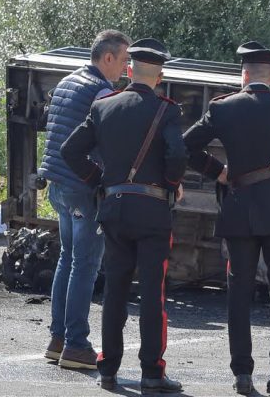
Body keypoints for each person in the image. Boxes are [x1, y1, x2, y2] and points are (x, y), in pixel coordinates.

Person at [60, 38, 187, 394]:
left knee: (114, 290)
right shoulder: (167, 110)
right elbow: (177, 156)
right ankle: (151, 373)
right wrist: (172, 184)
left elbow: (72, 150)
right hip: (152, 210)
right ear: (159, 75)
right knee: (152, 293)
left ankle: (109, 369)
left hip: (112, 208)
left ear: (129, 70)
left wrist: (101, 181)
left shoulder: (104, 106)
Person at [183, 41, 270, 396]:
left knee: (238, 294)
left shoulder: (222, 109)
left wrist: (217, 171)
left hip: (239, 207)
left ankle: (242, 375)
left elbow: (186, 146)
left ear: (243, 75)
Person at [38, 29, 131, 369]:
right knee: (85, 265)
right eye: (123, 60)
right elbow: (109, 145)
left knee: (68, 259)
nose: (126, 68)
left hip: (59, 184)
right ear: (107, 58)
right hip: (83, 188)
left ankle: (58, 338)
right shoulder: (102, 92)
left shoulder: (67, 82)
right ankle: (77, 345)